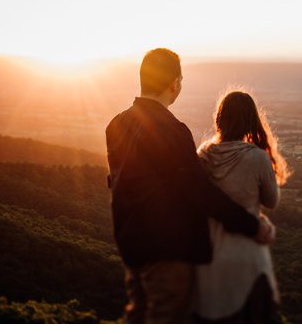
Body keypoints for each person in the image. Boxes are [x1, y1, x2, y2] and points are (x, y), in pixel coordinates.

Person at [106, 48, 275, 323]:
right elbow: (199, 192)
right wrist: (252, 225)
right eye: (181, 80)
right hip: (167, 249)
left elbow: (119, 183)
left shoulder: (116, 125)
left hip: (131, 244)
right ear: (175, 83)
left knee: (137, 316)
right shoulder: (172, 130)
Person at [192, 91, 290, 323]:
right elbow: (271, 201)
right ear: (250, 121)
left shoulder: (203, 154)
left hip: (208, 259)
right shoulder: (257, 157)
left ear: (219, 119)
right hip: (247, 258)